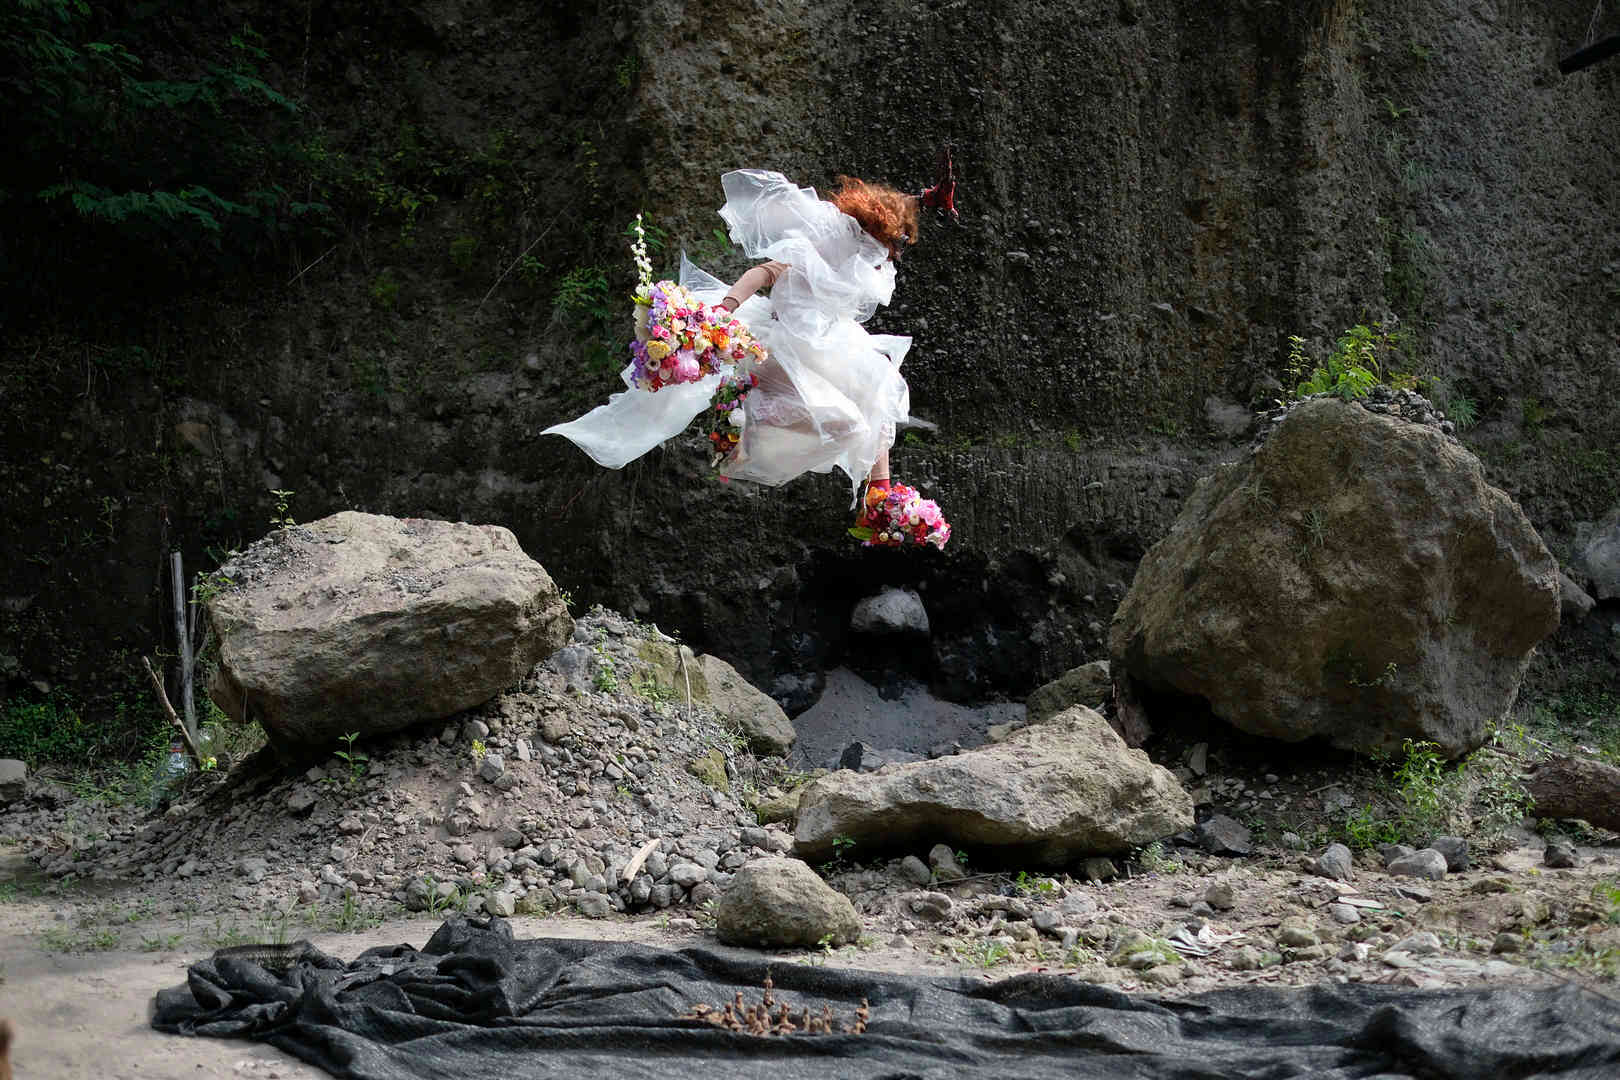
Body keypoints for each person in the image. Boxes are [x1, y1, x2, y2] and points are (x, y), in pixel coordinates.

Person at [544, 168, 944, 540]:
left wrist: (924, 199)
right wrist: (725, 308)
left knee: (876, 391)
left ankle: (878, 494)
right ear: (883, 231)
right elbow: (766, 273)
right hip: (782, 344)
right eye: (899, 243)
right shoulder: (830, 238)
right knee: (847, 420)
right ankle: (738, 412)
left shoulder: (864, 257)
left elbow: (894, 208)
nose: (897, 255)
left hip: (825, 347)